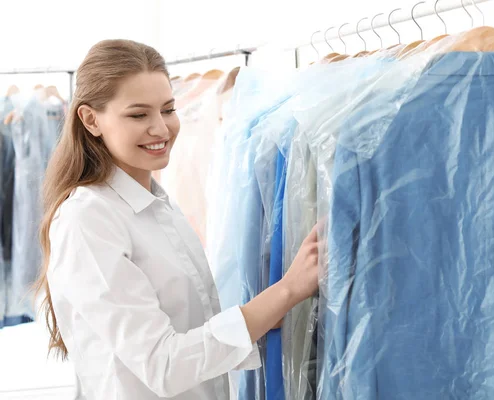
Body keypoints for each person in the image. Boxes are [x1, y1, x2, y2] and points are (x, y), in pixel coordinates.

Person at [33, 39, 320, 400]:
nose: (161, 128)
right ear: (91, 120)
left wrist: (266, 312)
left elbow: (190, 329)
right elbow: (163, 365)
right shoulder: (88, 218)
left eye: (168, 109)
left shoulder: (157, 204)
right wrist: (287, 290)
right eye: (139, 115)